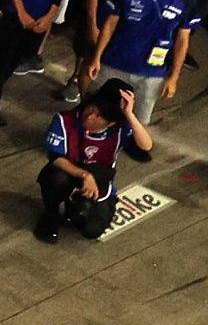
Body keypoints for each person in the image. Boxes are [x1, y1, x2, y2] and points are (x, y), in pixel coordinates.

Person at [36, 81, 153, 243]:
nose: (90, 116)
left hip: (100, 179)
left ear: (111, 122)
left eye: (99, 115)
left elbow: (146, 145)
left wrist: (129, 114)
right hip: (69, 171)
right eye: (91, 108)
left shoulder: (119, 129)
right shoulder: (64, 120)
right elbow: (55, 157)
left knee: (92, 230)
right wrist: (85, 175)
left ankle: (76, 207)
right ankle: (51, 214)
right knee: (55, 179)